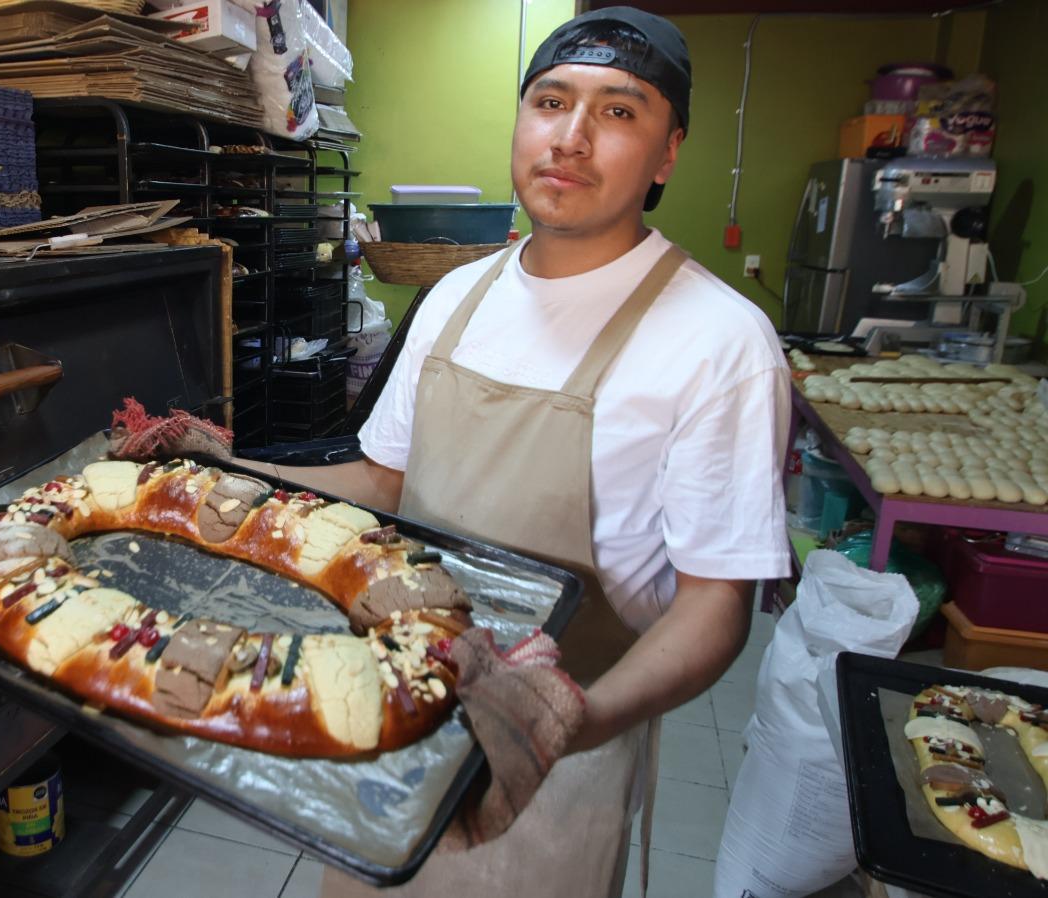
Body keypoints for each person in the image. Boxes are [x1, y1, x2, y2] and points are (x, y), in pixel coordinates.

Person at [245, 7, 791, 897]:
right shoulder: (459, 295)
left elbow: (715, 604)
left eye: (619, 112)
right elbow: (384, 482)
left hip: (560, 757)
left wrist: (571, 721)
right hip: (399, 705)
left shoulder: (720, 341)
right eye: (550, 101)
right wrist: (222, 473)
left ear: (668, 154)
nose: (570, 137)